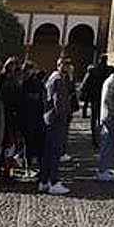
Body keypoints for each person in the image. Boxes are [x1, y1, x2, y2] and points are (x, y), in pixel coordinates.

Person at [39, 57, 73, 195]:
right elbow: (59, 102)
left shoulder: (53, 78)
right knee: (55, 152)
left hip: (49, 119)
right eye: (66, 64)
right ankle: (53, 181)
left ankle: (44, 181)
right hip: (56, 120)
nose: (68, 67)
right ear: (59, 65)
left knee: (48, 152)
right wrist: (64, 118)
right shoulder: (58, 80)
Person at [0, 57, 22, 183]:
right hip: (2, 116)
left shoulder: (15, 79)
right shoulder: (2, 79)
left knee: (9, 146)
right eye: (11, 64)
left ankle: (7, 171)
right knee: (1, 145)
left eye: (14, 64)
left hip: (12, 116)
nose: (12, 66)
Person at [80, 56, 112, 149]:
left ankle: (95, 139)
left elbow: (84, 85)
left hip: (95, 98)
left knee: (94, 119)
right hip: (106, 99)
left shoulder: (93, 71)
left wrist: (86, 94)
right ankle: (104, 137)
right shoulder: (110, 70)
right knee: (105, 118)